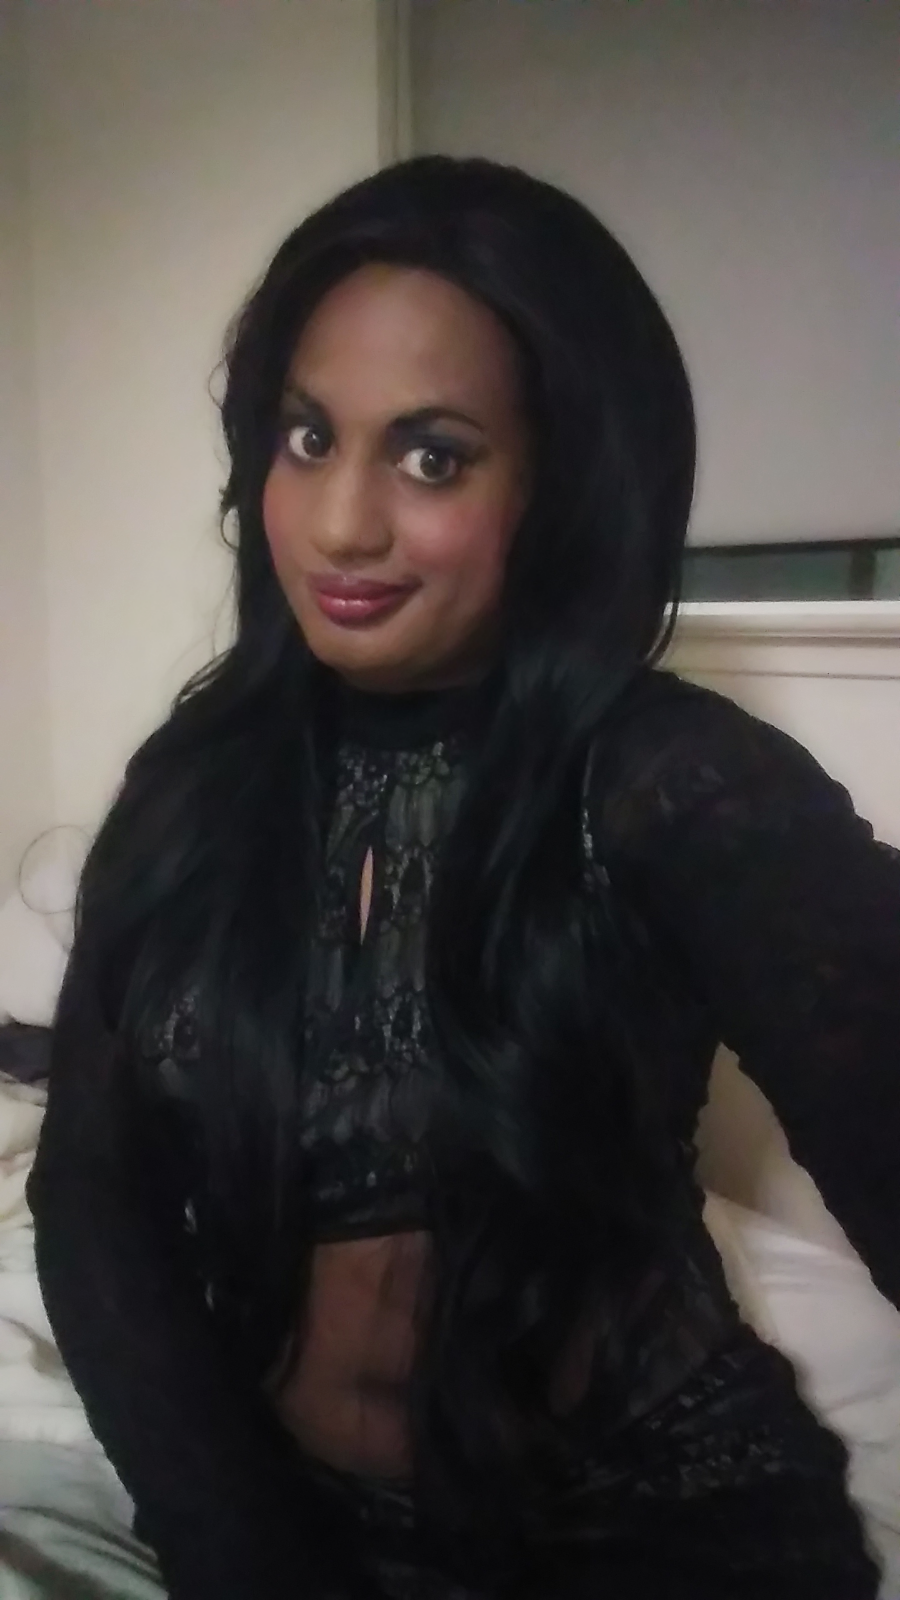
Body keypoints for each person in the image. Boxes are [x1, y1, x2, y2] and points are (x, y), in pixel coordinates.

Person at [27, 156, 898, 1600]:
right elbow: (92, 1198)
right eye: (309, 436)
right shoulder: (197, 784)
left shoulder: (676, 785)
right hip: (281, 1523)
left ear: (562, 484)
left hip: (650, 1531)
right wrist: (240, 1546)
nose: (341, 524)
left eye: (432, 457)